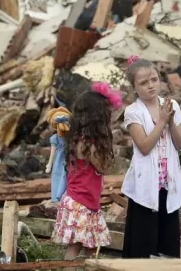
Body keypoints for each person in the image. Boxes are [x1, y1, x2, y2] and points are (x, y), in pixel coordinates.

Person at [121, 55, 181, 259]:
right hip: (146, 182)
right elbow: (144, 146)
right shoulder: (133, 112)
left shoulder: (171, 105)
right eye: (143, 83)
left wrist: (172, 121)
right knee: (143, 239)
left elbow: (179, 144)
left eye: (154, 80)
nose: (150, 86)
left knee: (167, 238)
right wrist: (162, 121)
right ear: (134, 88)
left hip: (167, 180)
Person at [52, 82, 121, 265]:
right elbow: (102, 167)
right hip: (81, 203)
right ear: (97, 118)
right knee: (76, 247)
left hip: (83, 200)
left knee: (90, 246)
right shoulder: (90, 144)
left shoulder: (77, 139)